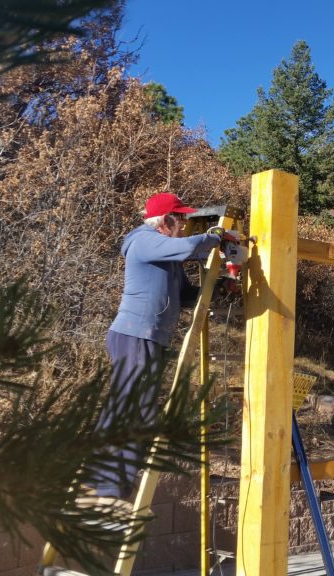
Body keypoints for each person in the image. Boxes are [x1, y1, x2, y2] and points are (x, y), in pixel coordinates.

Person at [92, 192, 225, 502]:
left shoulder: (166, 256)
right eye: (181, 220)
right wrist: (215, 236)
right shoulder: (143, 240)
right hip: (134, 335)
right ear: (167, 221)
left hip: (149, 338)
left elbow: (187, 295)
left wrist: (222, 285)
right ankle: (108, 485)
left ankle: (111, 482)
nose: (185, 227)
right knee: (128, 405)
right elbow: (188, 247)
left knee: (141, 409)